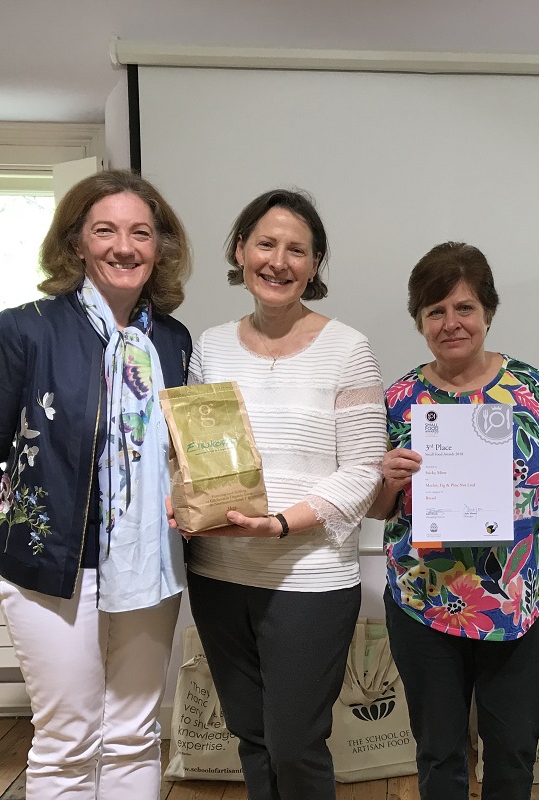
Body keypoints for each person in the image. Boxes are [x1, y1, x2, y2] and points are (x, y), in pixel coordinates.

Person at [0, 169, 193, 799]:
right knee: (68, 738)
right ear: (75, 243)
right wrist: (23, 530)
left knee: (136, 733)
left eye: (141, 232)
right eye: (104, 229)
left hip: (151, 564)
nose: (124, 246)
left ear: (159, 247)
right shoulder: (24, 328)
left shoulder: (169, 339)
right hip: (53, 569)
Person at [178, 189, 385, 800]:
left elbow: (365, 470)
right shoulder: (210, 346)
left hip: (308, 578)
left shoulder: (348, 348)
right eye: (266, 243)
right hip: (217, 573)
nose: (279, 260)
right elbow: (188, 448)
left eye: (298, 249)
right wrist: (180, 495)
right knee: (251, 734)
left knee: (295, 743)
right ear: (240, 250)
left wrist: (281, 523)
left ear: (315, 264)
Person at [368, 242, 539, 800]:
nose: (451, 324)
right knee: (439, 753)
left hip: (514, 603)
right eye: (435, 312)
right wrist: (390, 476)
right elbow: (380, 508)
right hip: (424, 601)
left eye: (464, 308)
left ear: (488, 312)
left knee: (514, 752)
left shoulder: (529, 387)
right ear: (419, 321)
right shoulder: (400, 399)